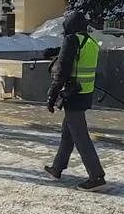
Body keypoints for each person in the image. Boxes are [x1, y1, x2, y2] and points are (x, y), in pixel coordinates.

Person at [43, 10, 107, 191]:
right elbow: (73, 55)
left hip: (72, 95)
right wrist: (56, 51)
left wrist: (52, 95)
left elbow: (62, 70)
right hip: (85, 94)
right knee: (68, 133)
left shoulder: (72, 40)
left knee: (80, 137)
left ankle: (97, 176)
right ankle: (57, 168)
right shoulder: (90, 42)